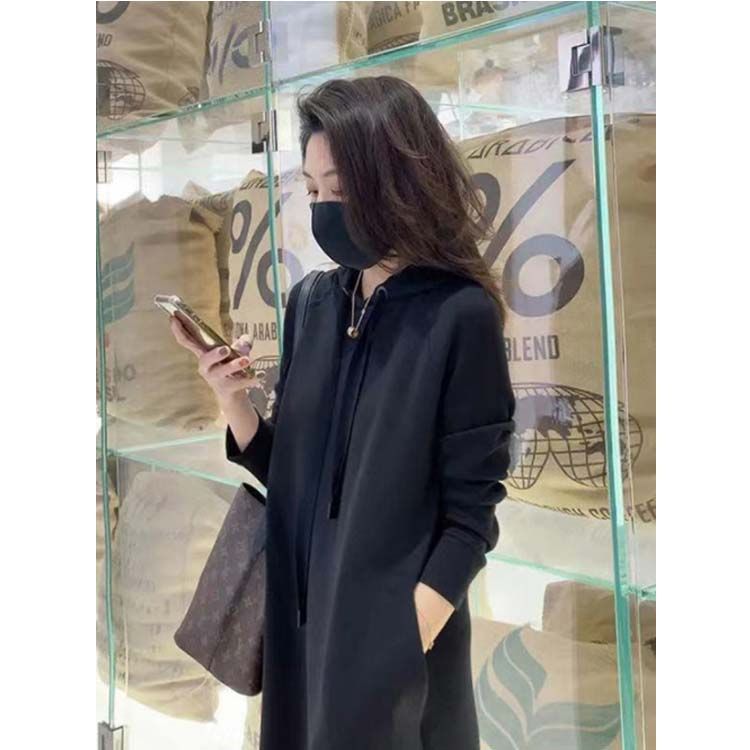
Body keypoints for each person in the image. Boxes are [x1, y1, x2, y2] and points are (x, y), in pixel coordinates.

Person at [170, 76, 516, 750]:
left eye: (341, 189)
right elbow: (296, 478)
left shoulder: (459, 316)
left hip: (394, 656)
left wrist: (402, 638)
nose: (325, 210)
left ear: (397, 184)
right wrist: (232, 398)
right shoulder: (313, 304)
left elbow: (471, 516)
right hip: (301, 634)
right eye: (313, 192)